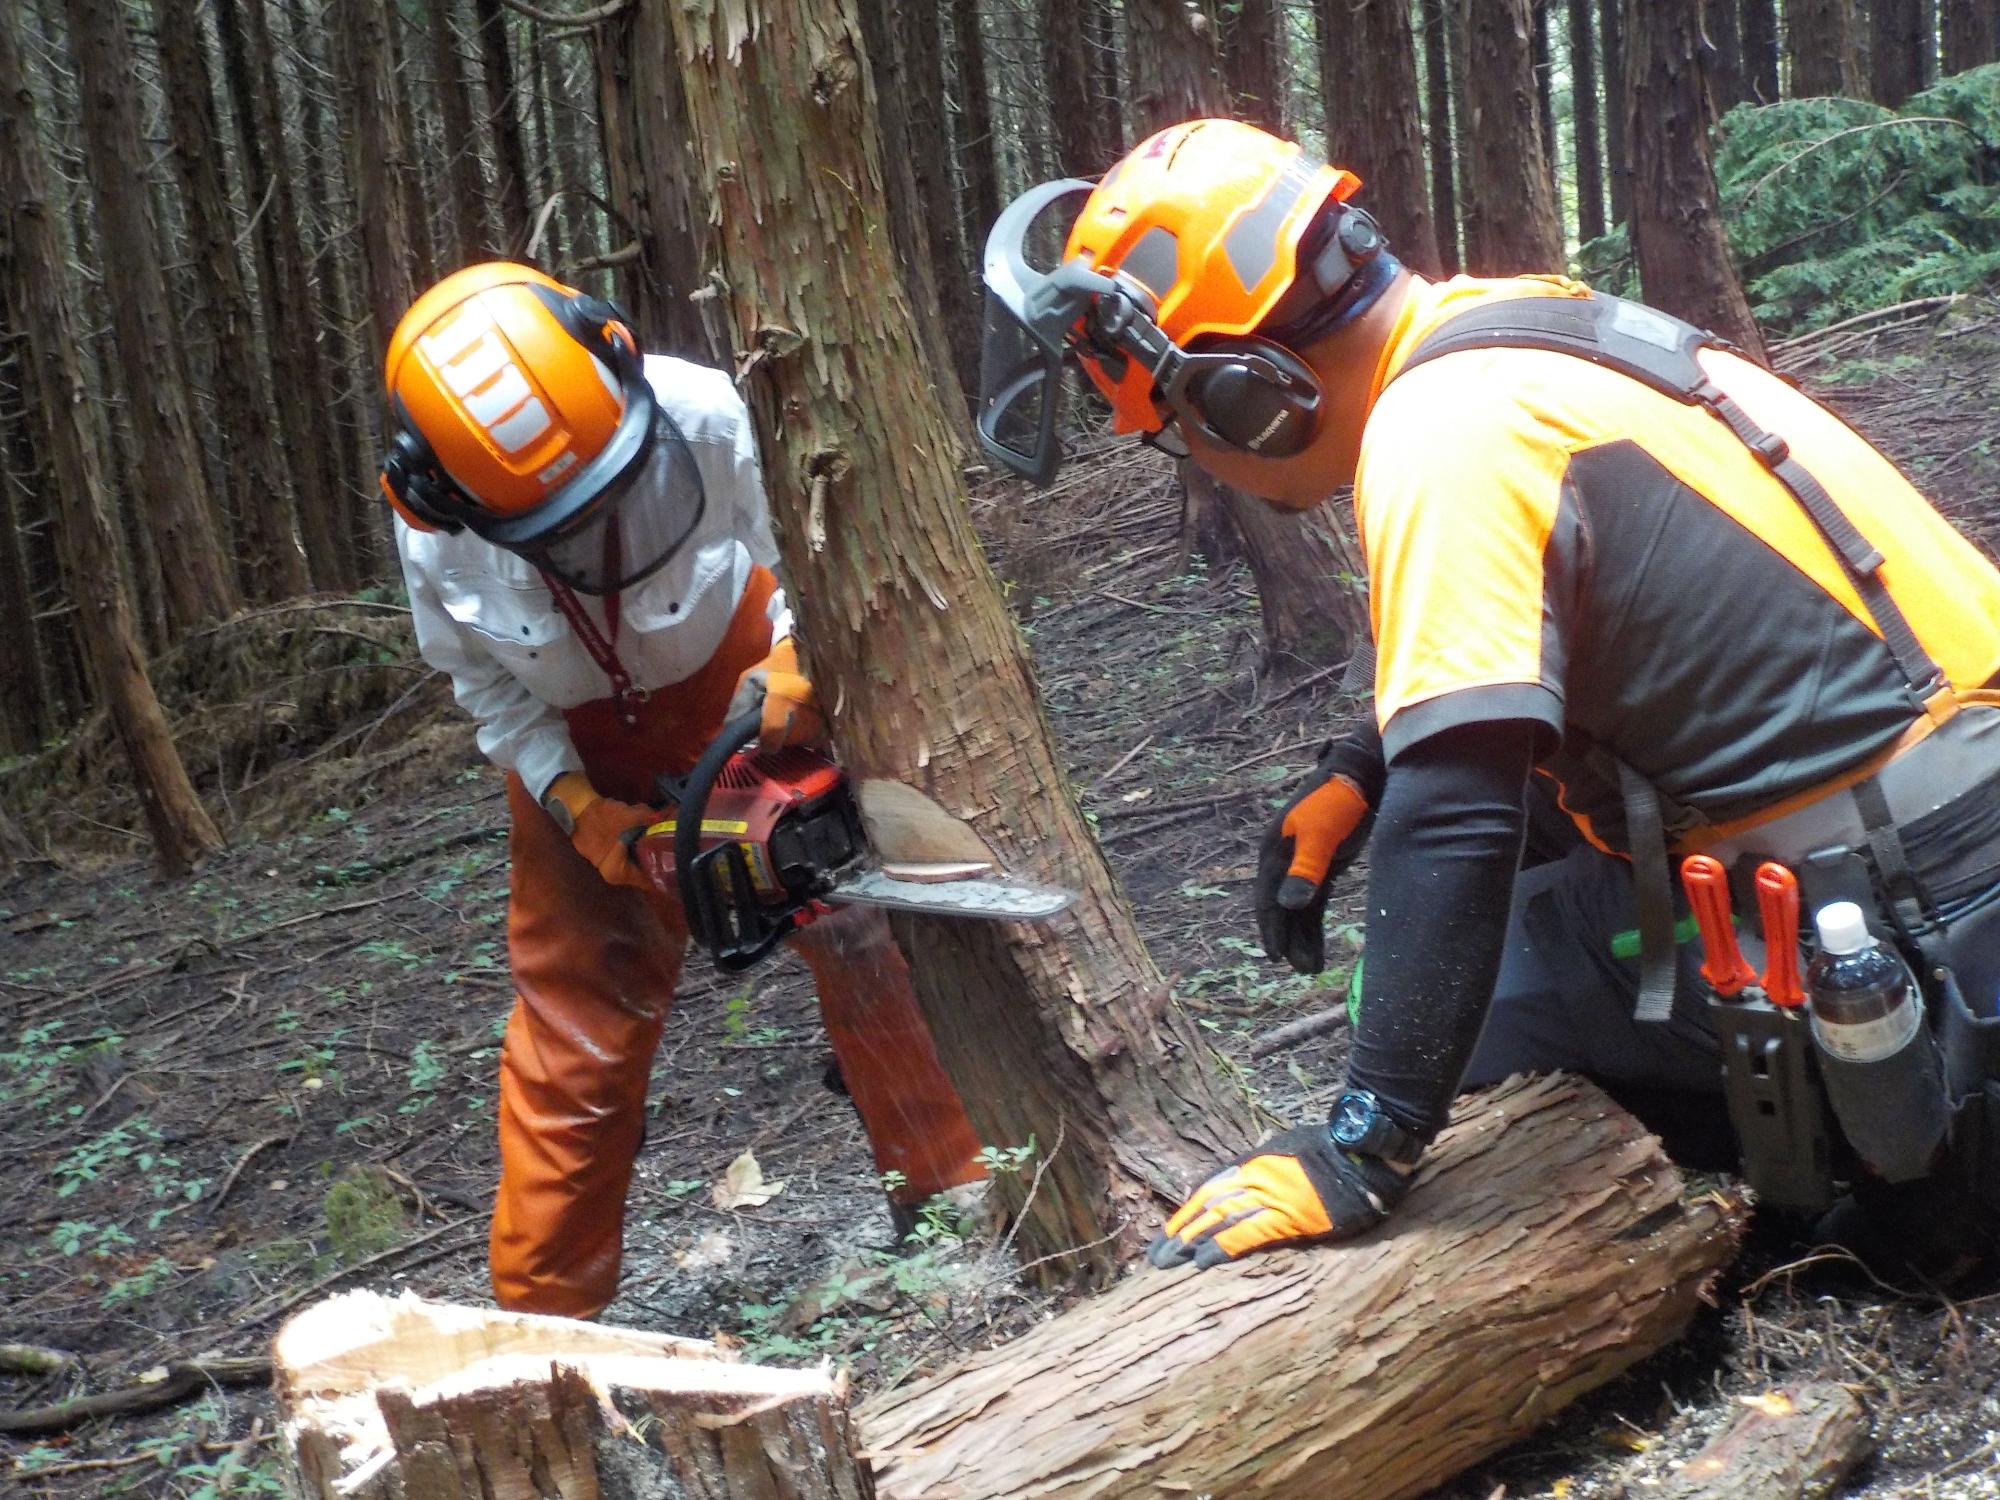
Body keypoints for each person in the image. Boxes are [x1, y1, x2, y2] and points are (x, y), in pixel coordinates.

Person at [976, 119, 2000, 1276]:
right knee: (1532, 849)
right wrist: (1356, 771)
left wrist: (1364, 1144)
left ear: (1241, 395)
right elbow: (1562, 619)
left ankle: (1850, 1200)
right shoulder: (1514, 335)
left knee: (1486, 981)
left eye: (1175, 433)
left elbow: (1454, 818)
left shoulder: (1439, 433)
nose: (1198, 461)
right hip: (1944, 825)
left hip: (1909, 904)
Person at [380, 262, 985, 1318]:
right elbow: (485, 687)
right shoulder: (436, 536)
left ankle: (955, 1206)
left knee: (864, 939)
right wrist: (575, 807)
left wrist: (799, 659)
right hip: (578, 748)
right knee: (574, 1021)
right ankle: (544, 1325)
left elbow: (814, 548)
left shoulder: (703, 414)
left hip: (741, 698)